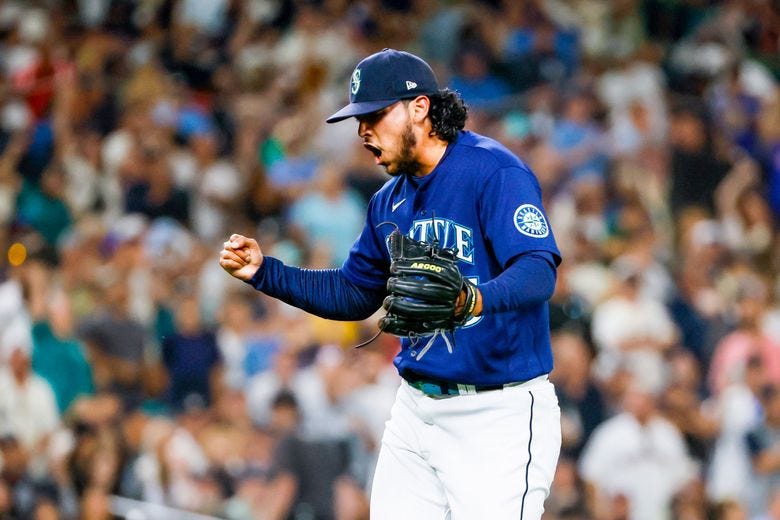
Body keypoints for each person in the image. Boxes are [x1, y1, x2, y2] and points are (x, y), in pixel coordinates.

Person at [220, 48, 562, 519]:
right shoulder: (387, 201)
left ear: (419, 107)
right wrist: (265, 273)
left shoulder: (493, 171)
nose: (363, 131)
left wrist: (472, 298)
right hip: (415, 410)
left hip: (497, 413)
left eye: (375, 115)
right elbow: (355, 293)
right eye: (358, 119)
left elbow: (538, 270)